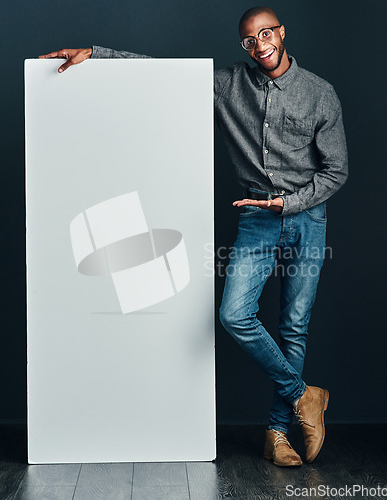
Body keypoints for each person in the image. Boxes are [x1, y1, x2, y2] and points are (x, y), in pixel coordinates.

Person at [39, 5, 348, 467]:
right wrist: (96, 55)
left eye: (266, 33)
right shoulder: (228, 85)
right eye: (249, 39)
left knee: (293, 327)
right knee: (234, 315)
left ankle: (278, 434)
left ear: (281, 33)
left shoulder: (320, 94)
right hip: (255, 217)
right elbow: (163, 74)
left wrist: (286, 204)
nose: (259, 44)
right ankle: (306, 396)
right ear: (243, 46)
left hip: (307, 218)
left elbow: (336, 171)